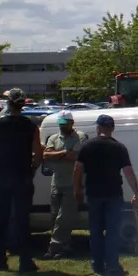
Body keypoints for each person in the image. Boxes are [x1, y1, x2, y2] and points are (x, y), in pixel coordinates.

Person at [74, 115, 138, 276]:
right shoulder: (119, 148)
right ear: (112, 129)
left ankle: (97, 265)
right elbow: (129, 173)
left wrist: (77, 190)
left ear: (98, 128)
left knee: (95, 231)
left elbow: (77, 170)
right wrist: (136, 193)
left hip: (94, 194)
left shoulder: (87, 146)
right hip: (113, 195)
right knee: (112, 231)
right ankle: (112, 265)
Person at [0, 88, 43, 272]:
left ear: (8, 104)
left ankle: (0, 261)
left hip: (2, 175)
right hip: (22, 176)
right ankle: (26, 261)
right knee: (23, 219)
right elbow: (38, 155)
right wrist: (31, 170)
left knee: (1, 218)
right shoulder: (30, 126)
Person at [42, 110, 88, 259]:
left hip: (72, 182)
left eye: (64, 124)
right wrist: (64, 153)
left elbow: (76, 157)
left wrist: (57, 154)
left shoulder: (80, 137)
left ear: (71, 123)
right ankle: (64, 246)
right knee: (55, 216)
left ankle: (53, 248)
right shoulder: (55, 137)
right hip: (56, 182)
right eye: (60, 124)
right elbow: (46, 155)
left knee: (64, 216)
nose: (62, 127)